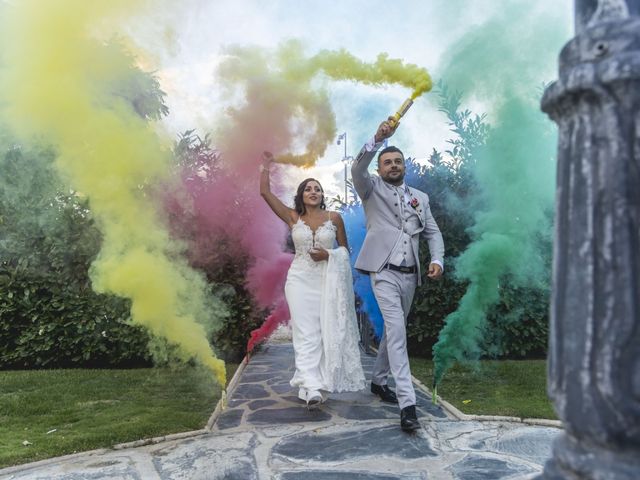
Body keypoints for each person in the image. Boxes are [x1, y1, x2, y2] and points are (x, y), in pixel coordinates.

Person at [351, 118, 444, 432]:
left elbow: (433, 232)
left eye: (398, 161)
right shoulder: (370, 188)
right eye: (387, 162)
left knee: (395, 331)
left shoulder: (421, 197)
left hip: (410, 276)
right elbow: (357, 169)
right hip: (384, 273)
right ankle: (408, 405)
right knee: (398, 333)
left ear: (405, 166)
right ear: (380, 168)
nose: (393, 165)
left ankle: (378, 381)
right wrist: (377, 139)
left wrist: (438, 260)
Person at [260, 151, 366, 409]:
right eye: (308, 188)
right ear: (301, 195)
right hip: (299, 280)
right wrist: (266, 165)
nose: (313, 191)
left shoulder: (334, 218)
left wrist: (328, 254)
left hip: (326, 281)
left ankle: (315, 384)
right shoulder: (293, 217)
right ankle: (310, 383)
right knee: (305, 332)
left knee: (322, 332)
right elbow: (265, 193)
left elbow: (344, 251)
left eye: (317, 188)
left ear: (321, 195)